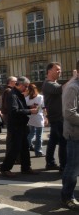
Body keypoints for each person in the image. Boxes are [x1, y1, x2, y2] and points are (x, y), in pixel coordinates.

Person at [0, 77, 38, 177]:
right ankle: (5, 168)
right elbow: (14, 111)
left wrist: (29, 107)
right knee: (14, 148)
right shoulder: (12, 95)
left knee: (25, 147)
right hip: (16, 126)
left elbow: (21, 108)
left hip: (21, 125)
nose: (26, 88)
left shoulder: (18, 94)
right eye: (25, 86)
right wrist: (30, 111)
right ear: (19, 84)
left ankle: (26, 167)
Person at [42, 62, 73, 172]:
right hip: (57, 118)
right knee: (63, 142)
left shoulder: (53, 83)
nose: (60, 71)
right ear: (49, 71)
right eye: (57, 69)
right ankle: (63, 166)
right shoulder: (48, 84)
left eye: (60, 70)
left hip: (57, 118)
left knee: (53, 141)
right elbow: (60, 89)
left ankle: (50, 162)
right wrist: (73, 78)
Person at [61, 61, 79, 211]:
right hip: (75, 135)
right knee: (72, 168)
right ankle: (67, 196)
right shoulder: (73, 88)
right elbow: (69, 113)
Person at [25, 83, 47, 157]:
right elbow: (44, 108)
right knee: (39, 136)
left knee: (31, 134)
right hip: (39, 118)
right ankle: (38, 151)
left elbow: (25, 108)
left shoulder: (26, 98)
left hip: (30, 118)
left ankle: (25, 148)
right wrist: (46, 117)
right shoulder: (40, 97)